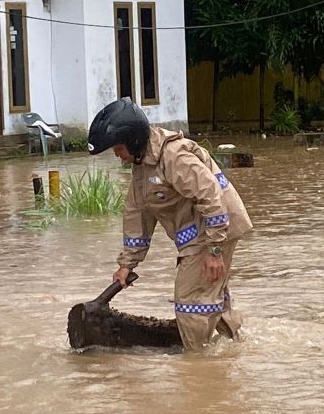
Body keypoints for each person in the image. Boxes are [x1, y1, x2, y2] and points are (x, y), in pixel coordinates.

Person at [88, 98, 253, 351]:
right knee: (210, 297)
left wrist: (215, 249)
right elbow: (137, 214)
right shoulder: (142, 165)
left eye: (118, 148)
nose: (116, 154)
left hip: (213, 230)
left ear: (133, 140)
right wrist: (126, 265)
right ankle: (233, 352)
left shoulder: (174, 157)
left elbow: (210, 195)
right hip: (203, 233)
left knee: (191, 301)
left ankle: (198, 365)